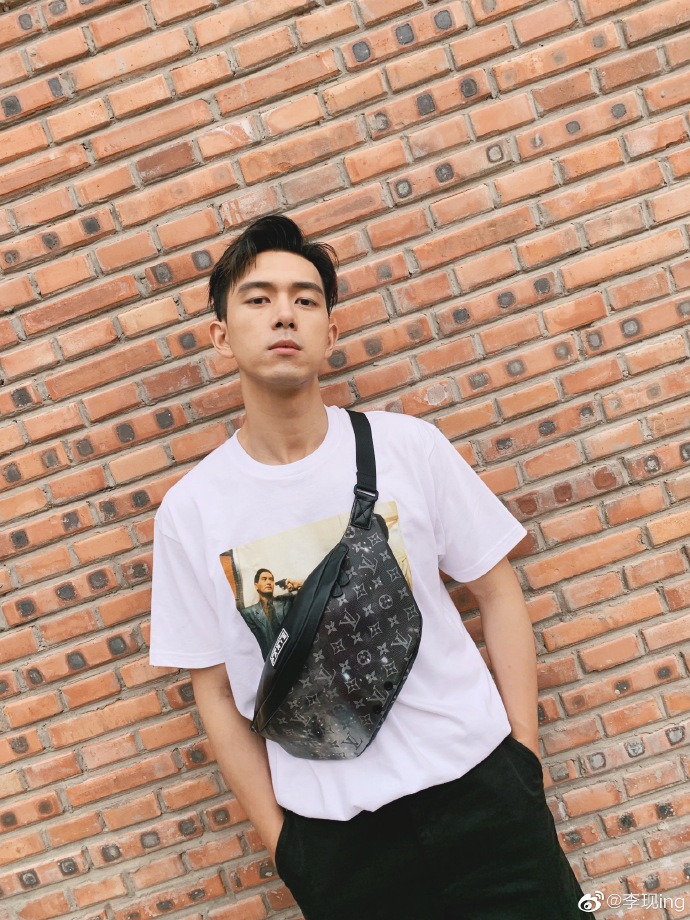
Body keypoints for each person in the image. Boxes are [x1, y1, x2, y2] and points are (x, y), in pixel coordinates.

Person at [149, 215, 591, 919]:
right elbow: (214, 689)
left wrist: (522, 759)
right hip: (341, 849)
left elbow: (496, 589)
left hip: (484, 804)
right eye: (258, 299)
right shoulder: (192, 510)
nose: (284, 314)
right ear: (220, 335)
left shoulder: (408, 448)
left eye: (304, 299)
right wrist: (287, 846)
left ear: (330, 330)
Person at [241, 568, 299, 657]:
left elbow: (312, 590)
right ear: (256, 585)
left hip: (294, 651)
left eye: (271, 579)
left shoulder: (286, 600)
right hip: (270, 659)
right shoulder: (248, 613)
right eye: (264, 579)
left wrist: (297, 584)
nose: (268, 582)